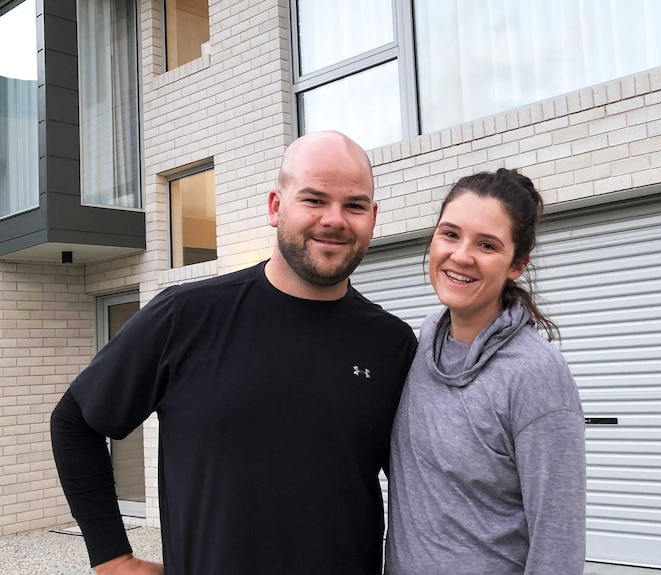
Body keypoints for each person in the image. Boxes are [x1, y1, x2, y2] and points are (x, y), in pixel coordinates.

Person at [50, 131, 418, 575]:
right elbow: (75, 422)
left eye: (354, 205)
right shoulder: (186, 316)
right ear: (275, 206)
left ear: (373, 217)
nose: (334, 219)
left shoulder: (392, 345)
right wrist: (111, 558)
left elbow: (421, 486)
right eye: (314, 200)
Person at [384, 168, 586, 575]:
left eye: (487, 245)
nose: (461, 256)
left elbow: (558, 542)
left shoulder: (534, 374)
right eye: (450, 234)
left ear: (517, 264)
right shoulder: (421, 348)